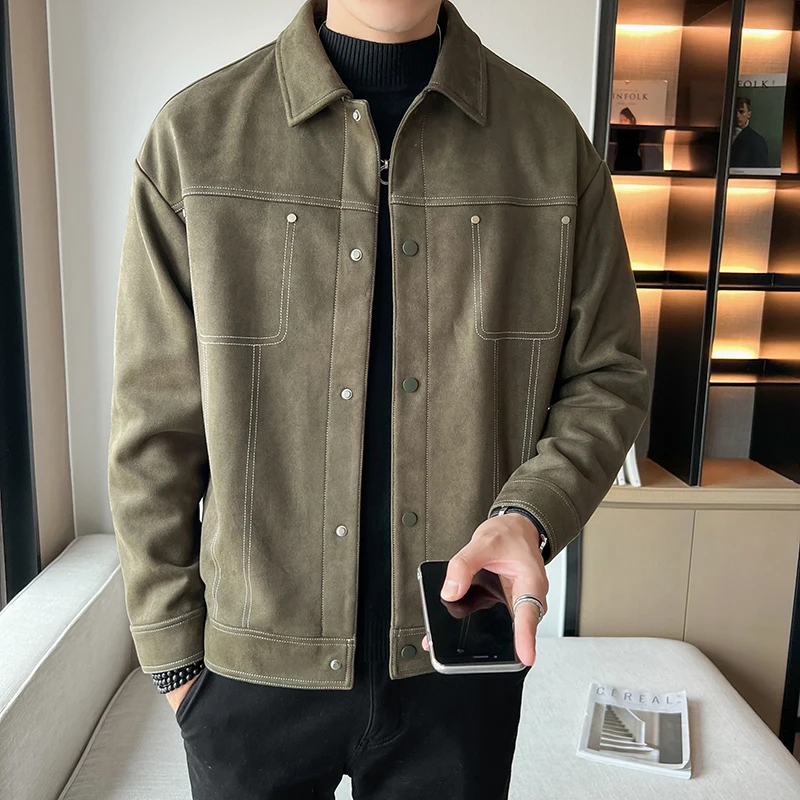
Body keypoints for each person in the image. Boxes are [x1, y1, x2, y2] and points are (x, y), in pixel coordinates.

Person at [107, 0, 651, 797]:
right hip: (249, 680)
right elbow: (152, 427)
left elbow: (607, 377)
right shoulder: (195, 140)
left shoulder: (548, 144)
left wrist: (528, 514)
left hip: (459, 666)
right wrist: (174, 663)